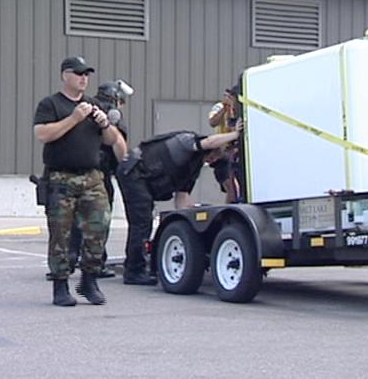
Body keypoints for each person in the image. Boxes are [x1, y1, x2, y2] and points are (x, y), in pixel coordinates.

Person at [33, 56, 124, 306]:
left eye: (87, 74)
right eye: (78, 73)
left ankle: (89, 279)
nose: (84, 78)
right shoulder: (51, 104)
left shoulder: (94, 104)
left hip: (92, 177)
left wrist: (104, 123)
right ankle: (60, 286)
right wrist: (74, 118)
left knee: (99, 228)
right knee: (60, 234)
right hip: (61, 176)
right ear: (65, 76)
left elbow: (111, 139)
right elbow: (42, 134)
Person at [116, 121, 244, 285]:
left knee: (144, 220)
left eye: (215, 160)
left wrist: (191, 221)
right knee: (142, 221)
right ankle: (134, 271)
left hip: (143, 180)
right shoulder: (187, 141)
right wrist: (235, 134)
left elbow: (181, 199)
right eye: (213, 156)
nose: (212, 160)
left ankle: (136, 266)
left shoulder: (192, 169)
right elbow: (209, 142)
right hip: (133, 172)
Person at [65, 81, 130, 279]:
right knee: (99, 221)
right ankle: (97, 262)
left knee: (74, 219)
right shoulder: (111, 115)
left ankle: (69, 259)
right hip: (100, 175)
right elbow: (118, 143)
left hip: (75, 171)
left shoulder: (85, 107)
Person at [207, 86, 242, 203]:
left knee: (237, 186)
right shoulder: (220, 107)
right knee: (230, 186)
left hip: (237, 152)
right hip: (223, 152)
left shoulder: (240, 109)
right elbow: (212, 122)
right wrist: (224, 109)